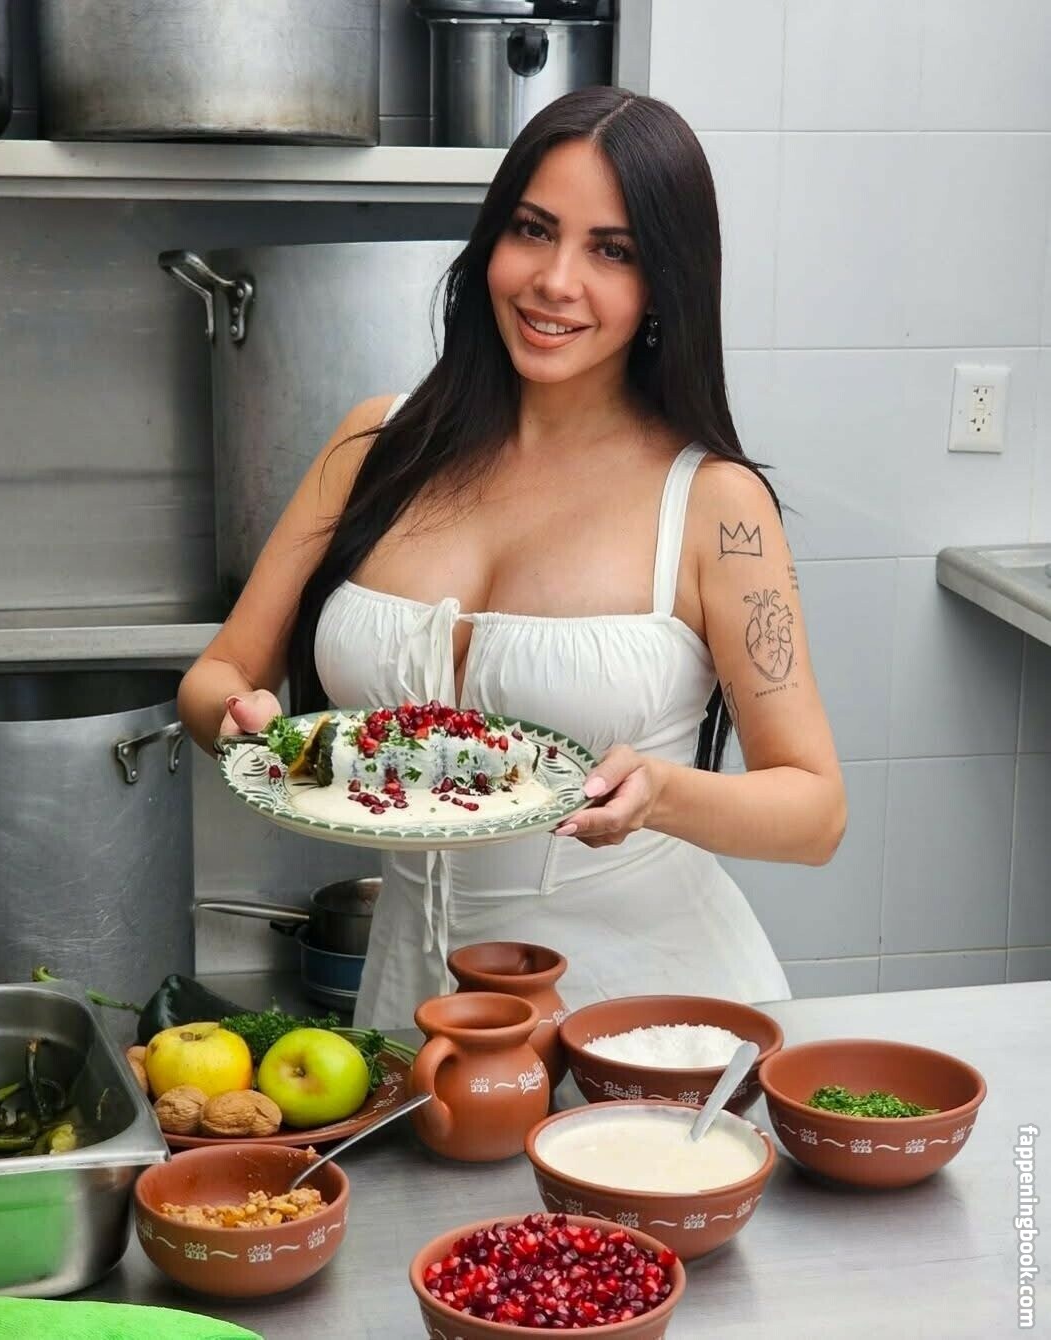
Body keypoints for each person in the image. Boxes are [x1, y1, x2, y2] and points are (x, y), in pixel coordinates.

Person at [179, 86, 846, 1029]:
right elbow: (218, 676)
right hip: (413, 1009)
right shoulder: (373, 451)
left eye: (612, 251)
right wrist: (246, 728)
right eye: (534, 230)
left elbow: (815, 811)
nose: (555, 281)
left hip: (646, 1021)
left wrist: (662, 794)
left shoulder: (714, 506)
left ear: (664, 284)